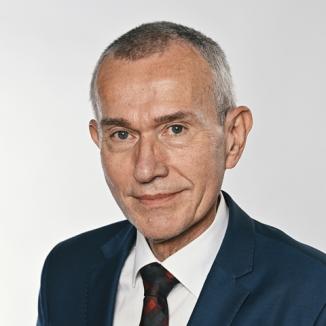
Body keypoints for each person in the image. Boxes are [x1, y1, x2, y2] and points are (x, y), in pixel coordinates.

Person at [37, 21, 326, 326]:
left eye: (175, 129)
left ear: (233, 137)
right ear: (98, 140)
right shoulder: (67, 271)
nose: (147, 169)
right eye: (122, 134)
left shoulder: (313, 294)